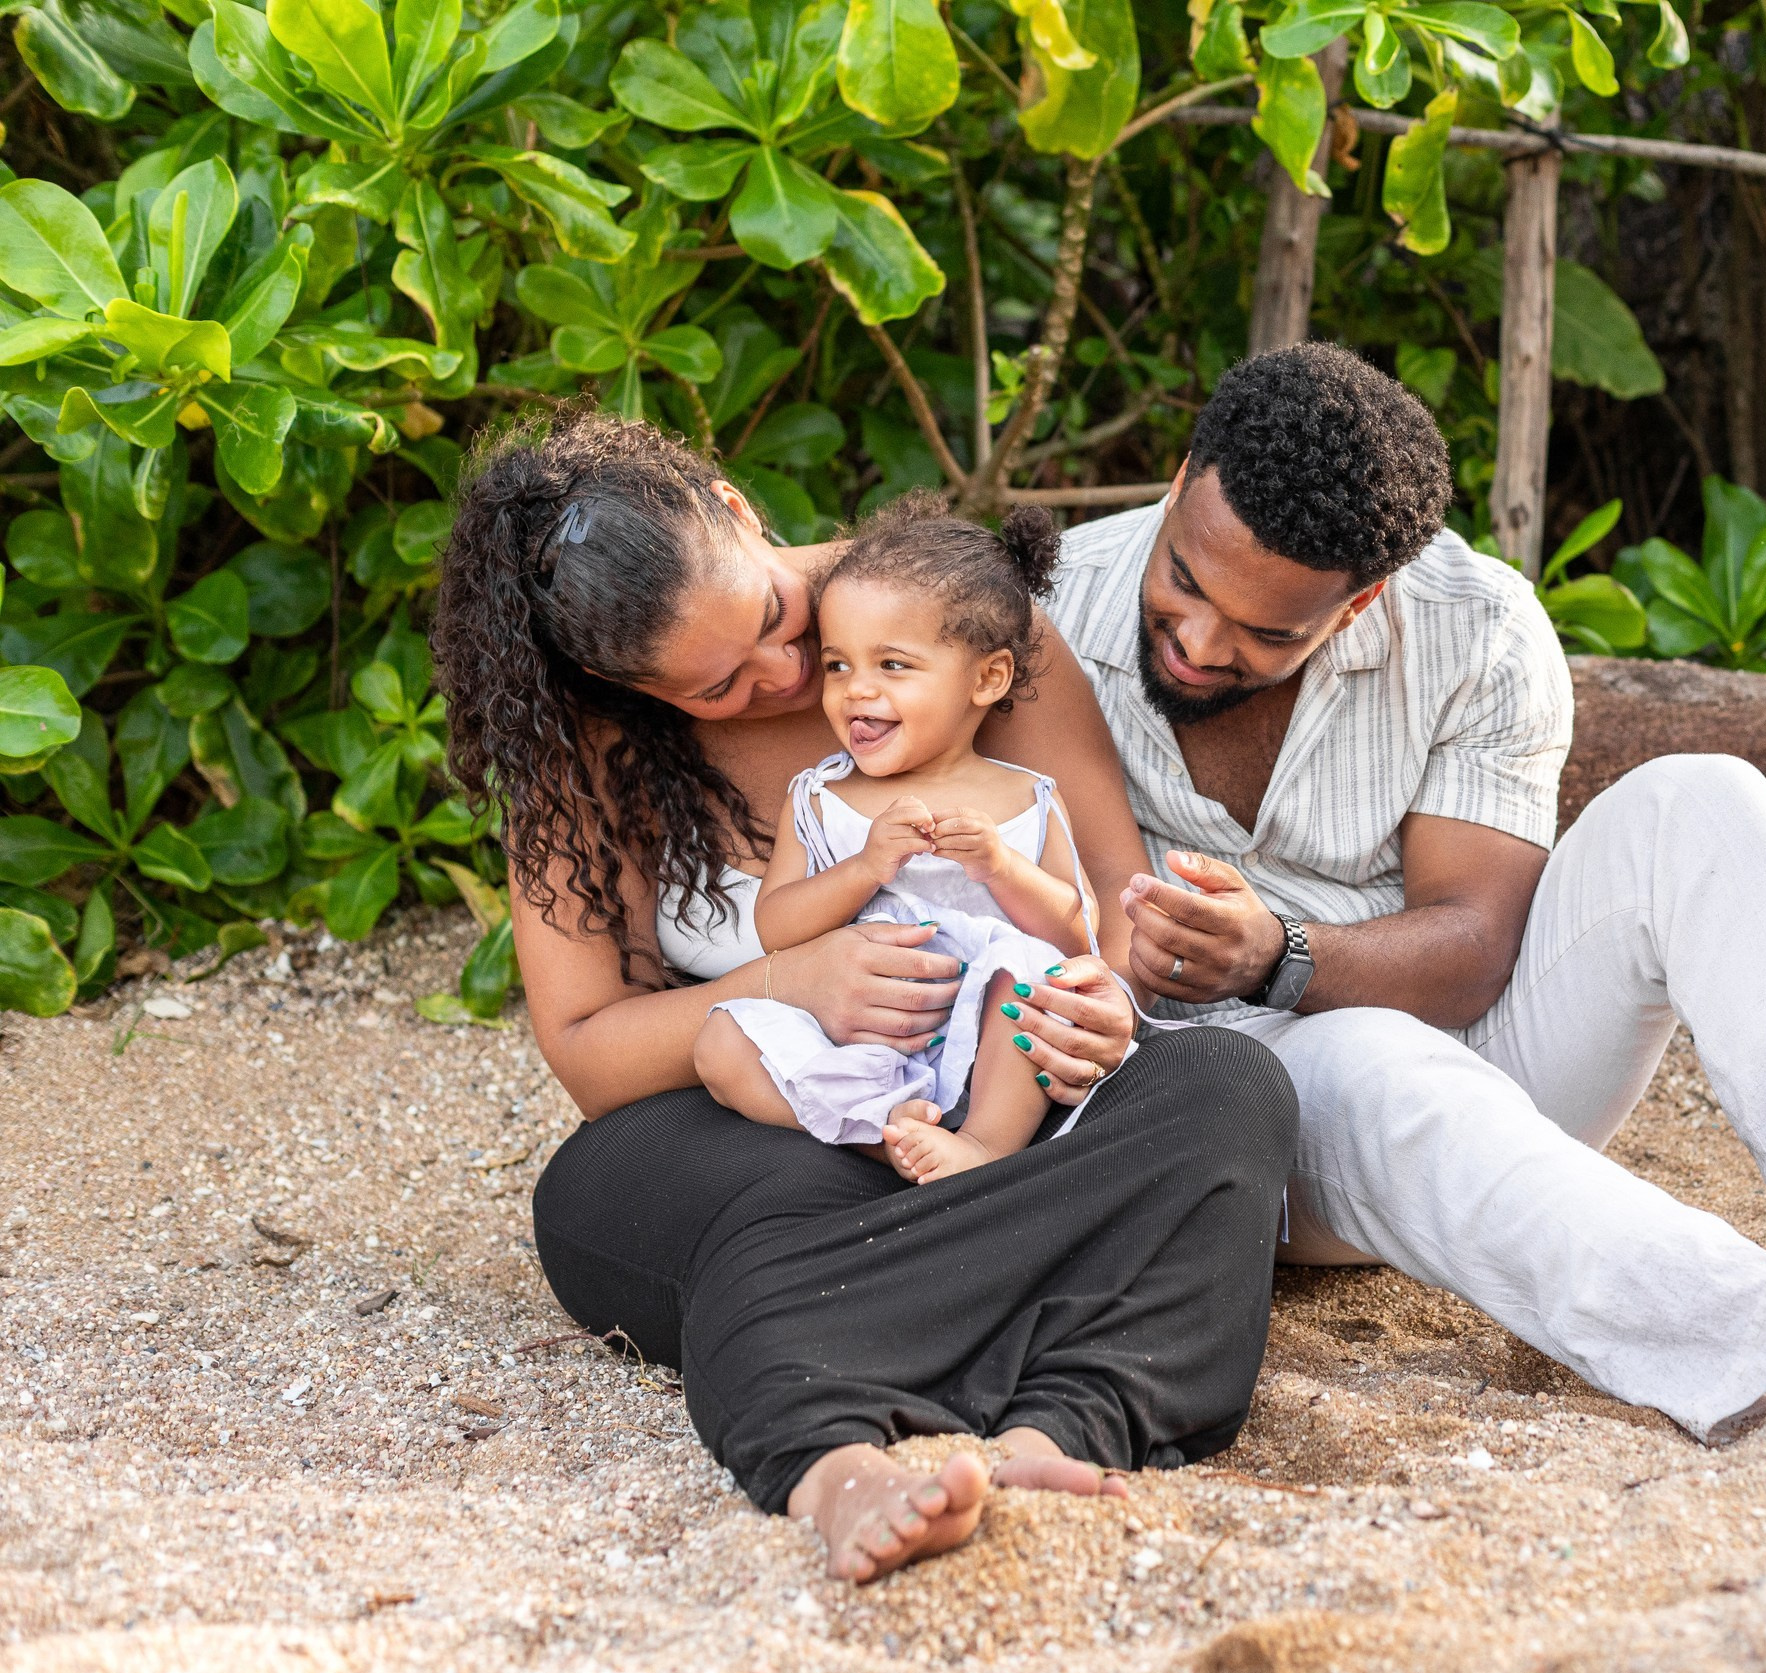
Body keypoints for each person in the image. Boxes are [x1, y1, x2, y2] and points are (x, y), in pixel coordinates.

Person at [1045, 343, 1766, 1440]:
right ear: (1176, 487)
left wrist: (1278, 953)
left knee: (1706, 800)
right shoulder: (1047, 606)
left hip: (1455, 1038)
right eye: (1183, 581)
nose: (1202, 641)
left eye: (1269, 632)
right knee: (1376, 1062)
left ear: (1358, 604)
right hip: (1221, 1116)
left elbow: (1475, 946)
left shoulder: (1478, 627)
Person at [432, 409, 1297, 1586]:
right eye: (717, 688)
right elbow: (588, 1050)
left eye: (778, 627)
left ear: (739, 510)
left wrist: (1101, 999)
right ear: (614, 683)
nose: (788, 681)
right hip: (785, 1127)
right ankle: (837, 1469)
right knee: (648, 1198)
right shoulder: (585, 749)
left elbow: (1104, 898)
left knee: (1225, 1087)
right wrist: (790, 976)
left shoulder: (944, 607)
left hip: (997, 1103)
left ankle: (1062, 1430)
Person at [694, 496, 1099, 1183]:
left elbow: (1076, 933)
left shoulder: (1025, 796)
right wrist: (864, 866)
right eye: (839, 665)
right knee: (718, 1042)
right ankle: (887, 1135)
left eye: (893, 666)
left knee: (1037, 978)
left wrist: (1002, 867)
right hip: (862, 1050)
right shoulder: (821, 796)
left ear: (987, 677)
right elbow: (776, 926)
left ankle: (984, 1145)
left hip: (988, 1050)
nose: (855, 691)